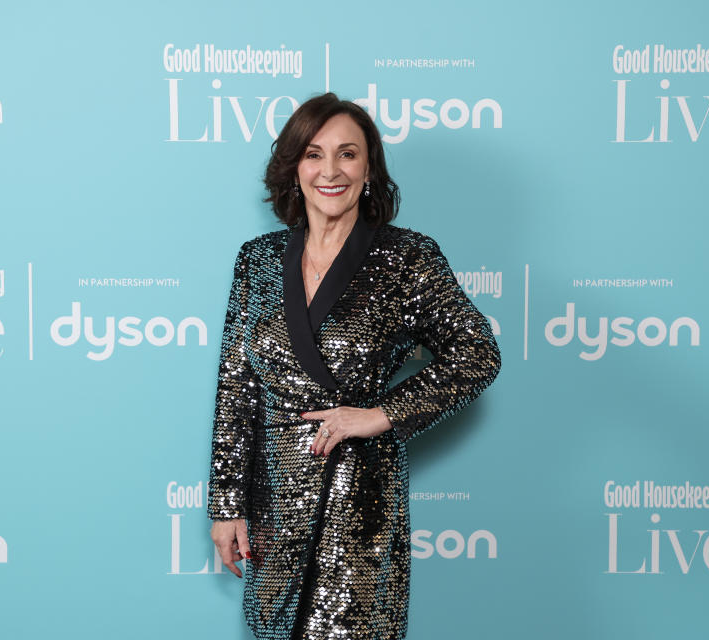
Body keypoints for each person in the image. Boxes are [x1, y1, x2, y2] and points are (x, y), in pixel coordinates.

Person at [207, 92, 501, 640]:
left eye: (348, 154)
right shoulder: (258, 260)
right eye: (314, 154)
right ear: (295, 168)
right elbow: (237, 389)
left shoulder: (408, 258)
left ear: (369, 168)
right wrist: (226, 506)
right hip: (276, 502)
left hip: (359, 500)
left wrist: (378, 414)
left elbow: (477, 354)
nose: (330, 170)